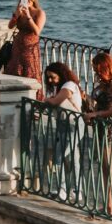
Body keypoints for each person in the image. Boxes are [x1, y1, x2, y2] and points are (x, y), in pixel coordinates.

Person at [84, 53, 112, 219]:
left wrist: (96, 114)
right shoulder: (105, 83)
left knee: (111, 170)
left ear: (104, 67)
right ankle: (108, 206)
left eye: (96, 68)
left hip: (111, 128)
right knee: (105, 168)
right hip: (103, 127)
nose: (94, 71)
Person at [43, 61, 82, 200]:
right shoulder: (59, 88)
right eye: (48, 77)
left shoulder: (69, 85)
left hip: (73, 125)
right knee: (73, 158)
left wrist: (46, 100)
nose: (50, 80)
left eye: (52, 77)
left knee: (59, 156)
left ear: (60, 74)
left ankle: (63, 190)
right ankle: (77, 191)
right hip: (63, 124)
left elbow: (55, 102)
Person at [6, 0, 46, 90]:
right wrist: (16, 15)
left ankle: (30, 93)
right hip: (18, 46)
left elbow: (37, 31)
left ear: (33, 0)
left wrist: (28, 16)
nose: (26, 1)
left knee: (30, 70)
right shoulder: (19, 11)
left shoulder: (39, 13)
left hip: (30, 48)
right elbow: (10, 26)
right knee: (15, 69)